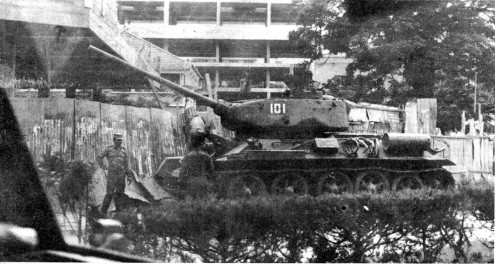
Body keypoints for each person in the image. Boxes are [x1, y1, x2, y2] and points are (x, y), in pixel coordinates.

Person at [97, 133, 130, 214]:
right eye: (118, 140)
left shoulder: (124, 151)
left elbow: (127, 165)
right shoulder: (109, 149)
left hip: (121, 175)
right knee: (109, 194)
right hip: (112, 175)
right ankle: (102, 213)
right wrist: (103, 166)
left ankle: (119, 215)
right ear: (114, 140)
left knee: (120, 194)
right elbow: (99, 157)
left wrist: (129, 176)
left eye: (121, 140)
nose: (120, 142)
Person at [179, 133, 215, 199]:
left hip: (191, 182)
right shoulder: (206, 156)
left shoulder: (187, 156)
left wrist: (182, 181)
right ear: (202, 143)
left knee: (193, 203)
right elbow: (211, 171)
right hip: (203, 181)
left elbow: (182, 171)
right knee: (204, 202)